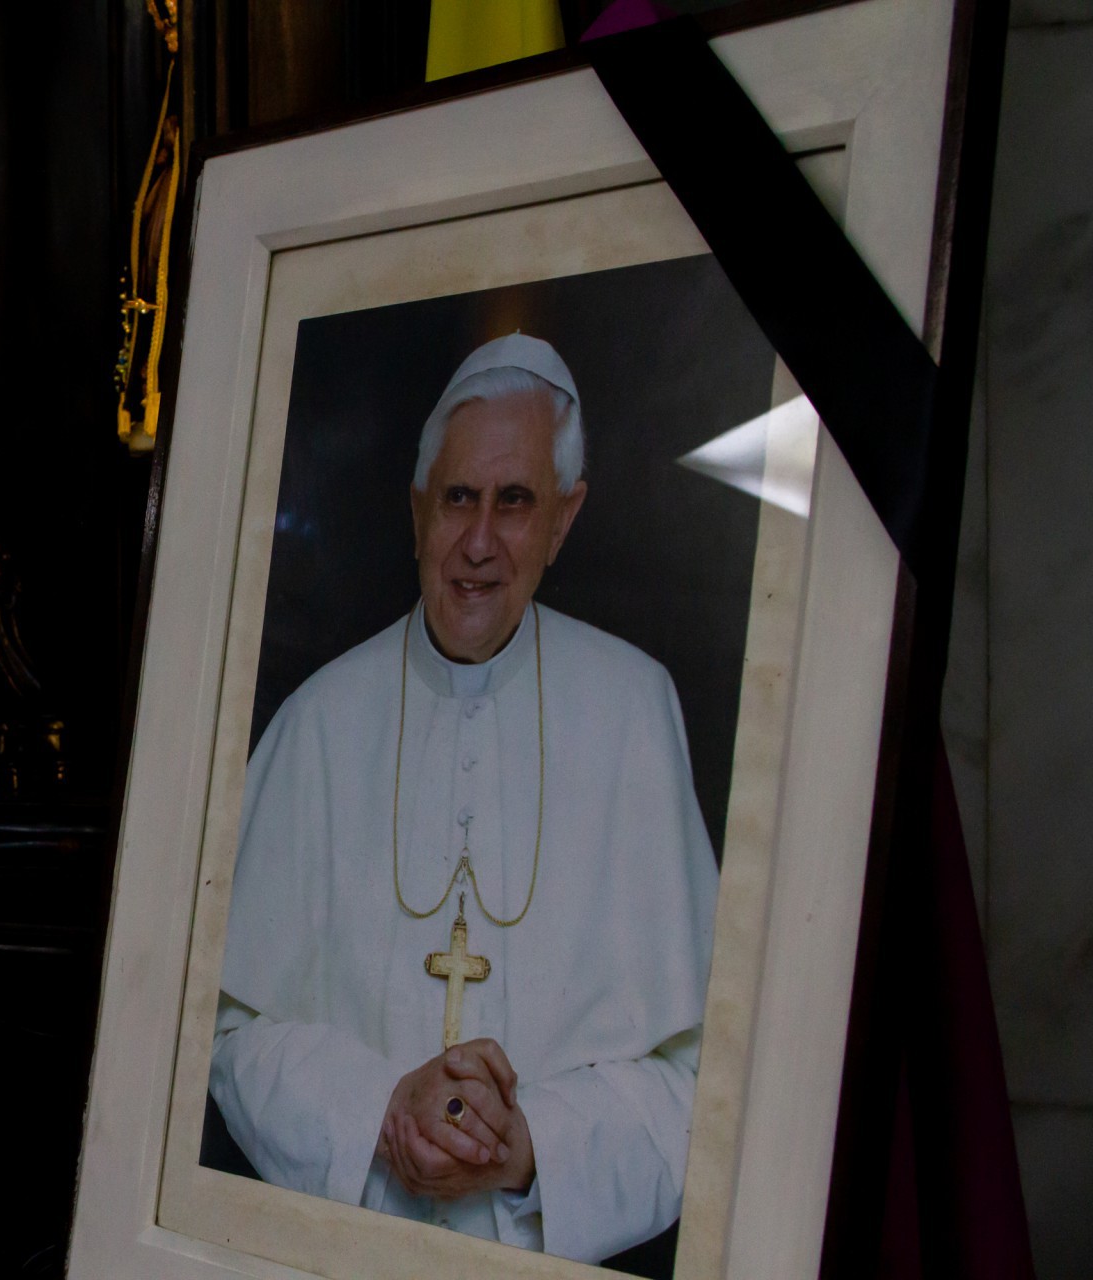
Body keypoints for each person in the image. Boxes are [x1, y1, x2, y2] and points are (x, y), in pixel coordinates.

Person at [209, 333, 720, 1264]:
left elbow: (703, 1078)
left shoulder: (636, 711)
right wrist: (377, 1111)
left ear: (563, 521)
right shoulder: (320, 720)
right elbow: (231, 1027)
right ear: (417, 511)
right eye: (458, 499)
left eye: (515, 503)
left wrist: (531, 1148)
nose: (479, 543)